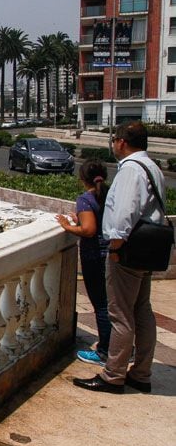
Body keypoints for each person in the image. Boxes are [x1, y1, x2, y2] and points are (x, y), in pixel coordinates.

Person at [73, 121, 165, 394]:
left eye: (114, 140)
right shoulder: (152, 167)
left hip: (127, 251)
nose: (113, 145)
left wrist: (114, 249)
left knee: (120, 314)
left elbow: (124, 214)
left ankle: (113, 375)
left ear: (122, 142)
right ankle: (141, 372)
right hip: (147, 250)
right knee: (142, 311)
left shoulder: (130, 171)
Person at [56, 159, 111, 366]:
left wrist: (67, 226)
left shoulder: (85, 199)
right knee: (113, 305)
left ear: (82, 179)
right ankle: (121, 348)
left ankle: (104, 351)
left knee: (101, 305)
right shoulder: (107, 195)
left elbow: (89, 230)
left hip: (95, 257)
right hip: (111, 254)